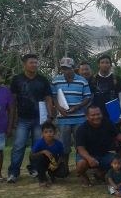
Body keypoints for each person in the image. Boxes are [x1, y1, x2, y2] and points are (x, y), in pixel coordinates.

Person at [8, 53, 54, 183]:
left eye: (36, 62)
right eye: (31, 62)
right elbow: (13, 101)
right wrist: (12, 120)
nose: (34, 65)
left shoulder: (43, 80)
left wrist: (50, 116)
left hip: (40, 119)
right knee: (18, 145)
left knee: (37, 146)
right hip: (23, 119)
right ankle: (13, 172)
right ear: (24, 64)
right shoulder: (17, 79)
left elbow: (48, 98)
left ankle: (34, 169)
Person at [51, 57, 91, 173]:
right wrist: (59, 108)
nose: (66, 71)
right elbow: (53, 97)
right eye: (63, 69)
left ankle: (81, 167)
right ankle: (64, 168)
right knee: (64, 146)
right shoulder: (56, 80)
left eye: (68, 69)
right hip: (63, 119)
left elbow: (87, 97)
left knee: (80, 145)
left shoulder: (82, 80)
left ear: (74, 68)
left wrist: (77, 107)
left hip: (79, 119)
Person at [75, 106, 121, 186]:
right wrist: (90, 159)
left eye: (98, 114)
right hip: (87, 156)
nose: (96, 117)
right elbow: (80, 149)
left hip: (104, 155)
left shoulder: (108, 123)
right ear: (87, 117)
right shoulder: (81, 129)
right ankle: (83, 175)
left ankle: (100, 173)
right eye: (93, 115)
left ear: (102, 114)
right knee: (81, 164)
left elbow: (118, 136)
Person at [30, 121, 69, 187]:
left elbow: (62, 156)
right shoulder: (40, 143)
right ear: (42, 134)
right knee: (40, 158)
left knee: (64, 172)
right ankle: (42, 179)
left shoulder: (58, 144)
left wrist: (57, 164)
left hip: (53, 161)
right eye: (46, 132)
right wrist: (43, 152)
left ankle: (52, 174)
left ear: (54, 133)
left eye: (50, 131)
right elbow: (32, 155)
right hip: (42, 161)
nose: (48, 134)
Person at [89, 55, 121, 123]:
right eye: (102, 62)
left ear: (110, 64)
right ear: (98, 65)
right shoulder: (93, 79)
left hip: (113, 112)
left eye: (107, 62)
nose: (105, 65)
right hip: (97, 114)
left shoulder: (116, 79)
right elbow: (90, 98)